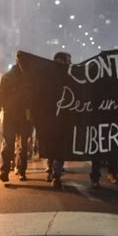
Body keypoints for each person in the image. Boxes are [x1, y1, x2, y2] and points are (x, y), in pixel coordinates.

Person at [0, 52, 33, 182]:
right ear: (17, 61)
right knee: (8, 144)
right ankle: (4, 171)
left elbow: (35, 97)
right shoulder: (8, 77)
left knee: (23, 146)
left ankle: (21, 171)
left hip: (25, 116)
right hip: (10, 114)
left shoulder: (30, 77)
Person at [48, 52, 71, 188]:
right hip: (53, 119)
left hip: (61, 119)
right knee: (56, 148)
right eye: (68, 61)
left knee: (57, 147)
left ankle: (54, 173)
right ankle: (54, 173)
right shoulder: (51, 77)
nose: (69, 63)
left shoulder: (69, 76)